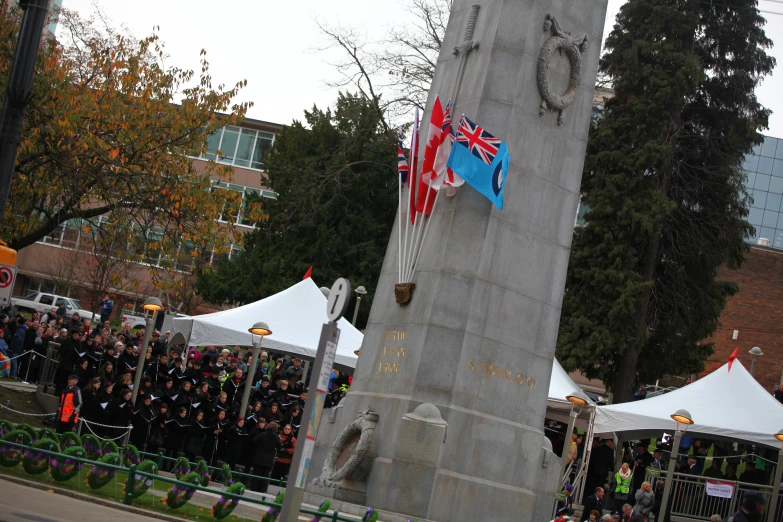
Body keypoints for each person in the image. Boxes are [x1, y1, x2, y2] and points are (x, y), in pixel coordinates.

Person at [250, 421, 281, 493]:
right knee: (264, 477)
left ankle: (253, 490)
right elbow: (279, 446)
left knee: (256, 476)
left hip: (259, 458)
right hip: (269, 460)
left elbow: (254, 441)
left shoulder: (262, 434)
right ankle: (261, 491)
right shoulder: (276, 437)